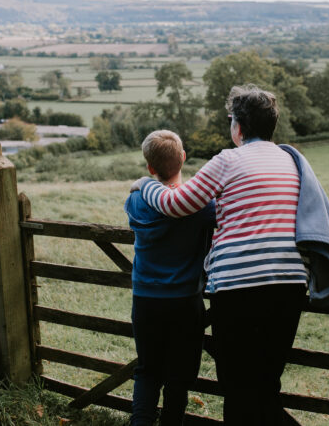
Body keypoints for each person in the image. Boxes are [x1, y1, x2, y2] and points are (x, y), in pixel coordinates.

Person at [133, 86, 309, 425]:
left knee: (237, 385)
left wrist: (144, 184)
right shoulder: (291, 159)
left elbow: (175, 203)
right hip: (289, 284)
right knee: (265, 385)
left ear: (238, 127)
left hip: (239, 288)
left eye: (231, 121)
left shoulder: (228, 159)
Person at [124, 130, 216, 426]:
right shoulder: (199, 207)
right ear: (183, 158)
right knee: (179, 377)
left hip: (146, 299)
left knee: (147, 371)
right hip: (185, 302)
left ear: (150, 167)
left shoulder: (136, 200)